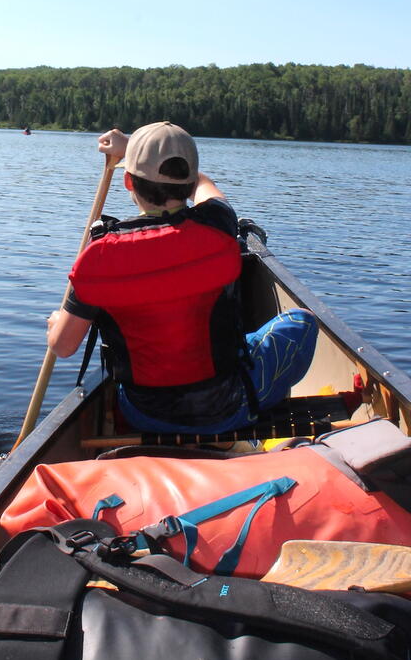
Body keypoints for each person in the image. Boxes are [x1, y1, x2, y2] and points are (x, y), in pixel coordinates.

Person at [47, 121, 318, 435]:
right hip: (228, 407)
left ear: (127, 182)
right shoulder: (219, 224)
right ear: (189, 185)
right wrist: (133, 146)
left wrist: (55, 323)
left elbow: (63, 347)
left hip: (143, 413)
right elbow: (206, 189)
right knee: (302, 322)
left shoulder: (99, 256)